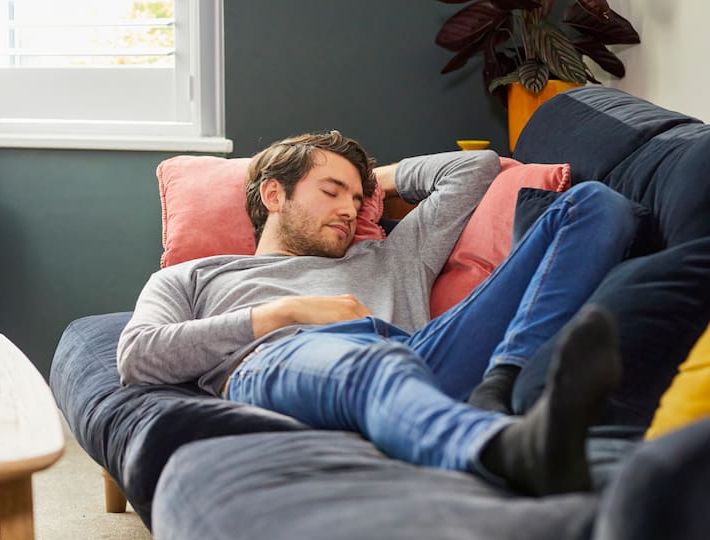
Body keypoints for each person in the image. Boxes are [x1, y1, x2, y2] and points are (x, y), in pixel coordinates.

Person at [118, 131, 636, 496]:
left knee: (593, 205)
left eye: (357, 197)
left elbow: (475, 166)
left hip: (420, 353)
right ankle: (506, 449)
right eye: (330, 191)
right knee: (372, 364)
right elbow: (137, 356)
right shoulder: (195, 275)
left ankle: (499, 384)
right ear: (274, 194)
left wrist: (372, 179)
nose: (349, 208)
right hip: (283, 358)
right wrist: (285, 312)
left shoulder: (395, 253)